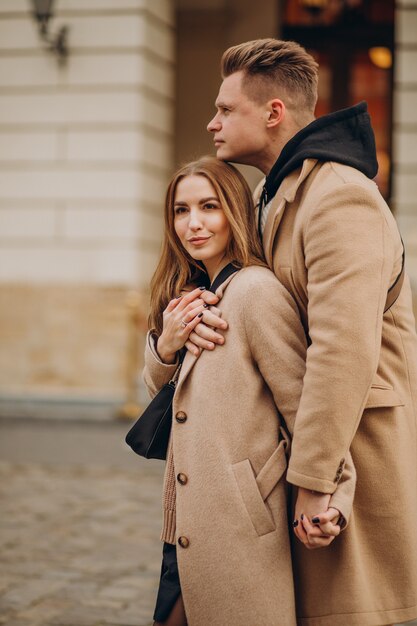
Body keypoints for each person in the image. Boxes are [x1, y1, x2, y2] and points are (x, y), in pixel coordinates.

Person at [179, 38, 417, 626]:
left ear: (273, 113)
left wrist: (314, 479)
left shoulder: (339, 198)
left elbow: (343, 351)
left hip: (353, 445)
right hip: (300, 444)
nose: (212, 123)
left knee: (352, 613)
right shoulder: (275, 193)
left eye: (225, 109)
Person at [143, 156, 352, 626]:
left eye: (208, 207)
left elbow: (306, 404)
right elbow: (167, 398)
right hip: (189, 521)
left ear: (233, 210)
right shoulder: (194, 291)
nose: (192, 224)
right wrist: (166, 344)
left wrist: (336, 496)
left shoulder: (256, 291)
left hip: (238, 523)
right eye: (180, 210)